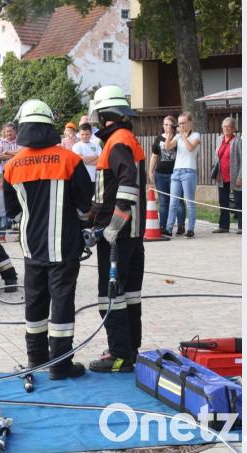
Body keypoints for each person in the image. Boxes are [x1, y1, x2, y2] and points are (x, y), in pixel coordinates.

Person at [2, 99, 93, 380]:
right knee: (62, 303)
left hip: (31, 247)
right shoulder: (70, 160)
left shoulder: (12, 166)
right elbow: (85, 205)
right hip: (64, 246)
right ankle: (60, 363)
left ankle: (36, 358)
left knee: (35, 303)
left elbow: (12, 211)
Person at [87, 85, 147, 373]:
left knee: (109, 295)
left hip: (117, 236)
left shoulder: (117, 142)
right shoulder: (127, 138)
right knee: (129, 295)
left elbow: (126, 182)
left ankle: (119, 355)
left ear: (104, 114)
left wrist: (112, 226)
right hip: (133, 234)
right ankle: (130, 349)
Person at [165, 112, 201, 238]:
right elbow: (167, 147)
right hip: (176, 171)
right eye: (179, 123)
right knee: (173, 202)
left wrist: (182, 136)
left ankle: (190, 229)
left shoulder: (196, 135)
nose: (181, 125)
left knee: (189, 202)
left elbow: (190, 148)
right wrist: (169, 134)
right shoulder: (178, 136)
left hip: (189, 171)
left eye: (183, 123)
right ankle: (169, 229)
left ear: (190, 122)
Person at [149, 116, 185, 237]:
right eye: (165, 124)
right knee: (163, 202)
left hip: (175, 173)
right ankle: (163, 226)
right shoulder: (158, 138)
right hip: (160, 173)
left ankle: (181, 225)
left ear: (174, 126)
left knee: (178, 200)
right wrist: (150, 171)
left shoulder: (178, 138)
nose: (167, 127)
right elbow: (154, 155)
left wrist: (173, 134)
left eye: (169, 124)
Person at [212, 117, 242, 234]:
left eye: (228, 126)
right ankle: (224, 226)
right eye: (223, 126)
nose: (225, 128)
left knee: (239, 201)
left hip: (235, 176)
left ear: (233, 128)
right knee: (223, 201)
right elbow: (217, 157)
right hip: (222, 176)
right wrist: (217, 172)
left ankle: (241, 226)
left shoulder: (238, 141)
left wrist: (241, 176)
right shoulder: (219, 139)